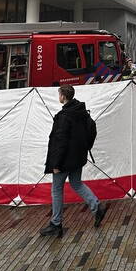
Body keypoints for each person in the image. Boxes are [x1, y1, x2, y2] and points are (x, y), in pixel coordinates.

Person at [41, 85, 107, 237]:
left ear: (63, 96)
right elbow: (92, 130)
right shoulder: (82, 112)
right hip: (77, 159)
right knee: (76, 183)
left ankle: (56, 224)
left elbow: (60, 141)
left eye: (59, 94)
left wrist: (55, 164)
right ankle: (97, 207)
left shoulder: (63, 116)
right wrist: (85, 148)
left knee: (57, 189)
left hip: (63, 161)